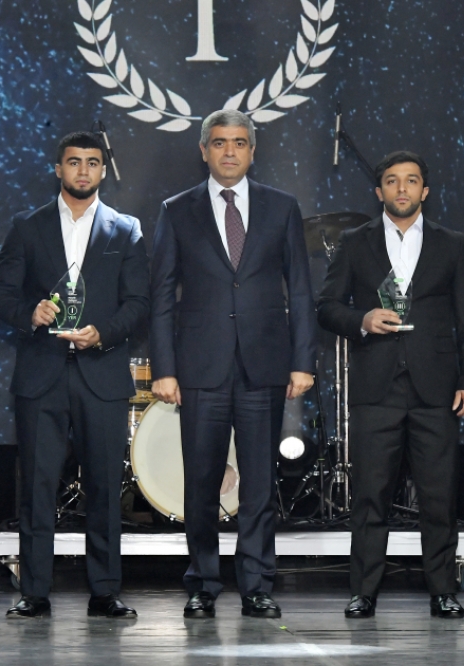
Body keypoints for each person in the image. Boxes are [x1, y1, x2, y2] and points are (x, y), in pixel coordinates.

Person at [149, 110, 317, 619]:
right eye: (219, 142)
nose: (229, 151)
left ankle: (256, 585)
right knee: (201, 482)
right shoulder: (177, 210)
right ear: (203, 150)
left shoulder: (281, 207)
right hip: (200, 366)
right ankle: (202, 582)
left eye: (239, 143)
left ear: (252, 150)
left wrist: (302, 361)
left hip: (264, 365)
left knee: (259, 485)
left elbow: (301, 291)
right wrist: (164, 368)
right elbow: (161, 295)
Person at [316, 151, 464, 619]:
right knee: (370, 495)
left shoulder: (452, 244)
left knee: (438, 496)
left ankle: (442, 590)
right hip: (376, 387)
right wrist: (363, 319)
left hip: (437, 389)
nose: (402, 188)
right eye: (392, 181)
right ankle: (363, 592)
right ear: (379, 192)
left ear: (424, 191)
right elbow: (326, 307)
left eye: (411, 181)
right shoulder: (355, 242)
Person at [0, 132, 149, 619]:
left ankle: (105, 591)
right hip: (42, 375)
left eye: (92, 162)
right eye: (74, 162)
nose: (83, 170)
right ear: (58, 168)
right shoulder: (27, 226)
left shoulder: (126, 229)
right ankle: (34, 591)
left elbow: (139, 303)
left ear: (103, 170)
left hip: (102, 373)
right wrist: (29, 313)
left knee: (105, 489)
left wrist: (103, 333)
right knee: (38, 488)